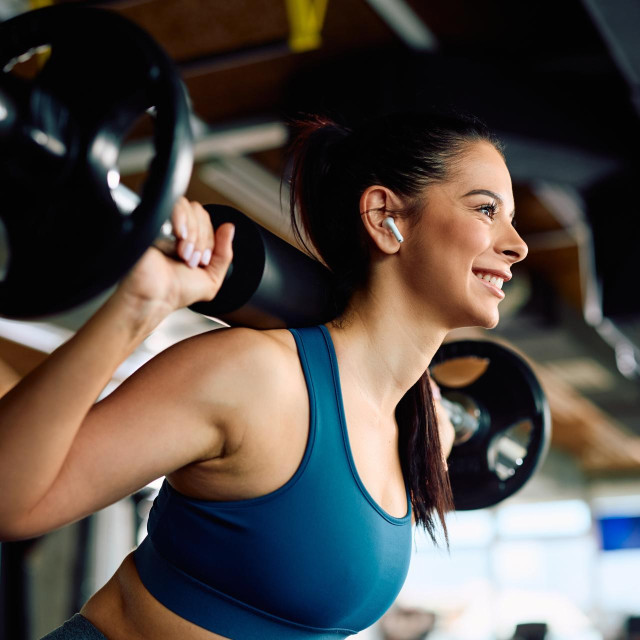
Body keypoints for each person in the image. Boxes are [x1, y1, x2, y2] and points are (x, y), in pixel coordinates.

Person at [0, 110, 527, 639]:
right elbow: (11, 501)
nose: (518, 245)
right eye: (486, 209)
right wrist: (140, 305)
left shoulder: (420, 428)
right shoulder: (257, 378)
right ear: (385, 217)